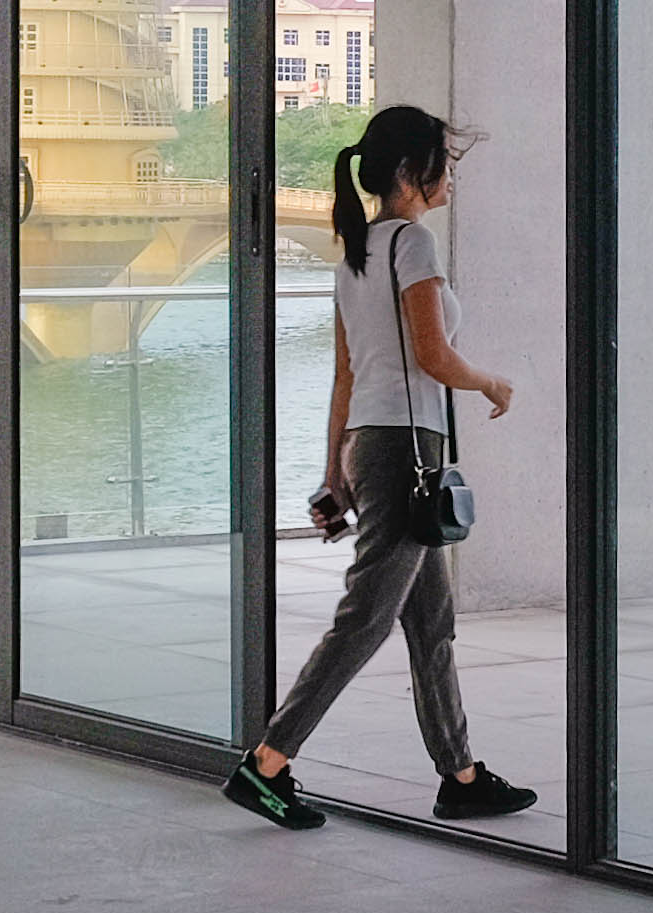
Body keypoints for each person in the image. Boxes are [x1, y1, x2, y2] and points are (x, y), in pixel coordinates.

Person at [229, 102, 538, 831]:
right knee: (366, 617)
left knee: (431, 620)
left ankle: (460, 776)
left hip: (371, 443)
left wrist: (335, 468)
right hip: (406, 450)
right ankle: (266, 763)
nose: (450, 176)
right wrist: (491, 383)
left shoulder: (356, 251)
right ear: (408, 172)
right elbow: (433, 356)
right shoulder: (413, 244)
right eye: (443, 164)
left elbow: (346, 373)